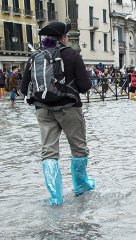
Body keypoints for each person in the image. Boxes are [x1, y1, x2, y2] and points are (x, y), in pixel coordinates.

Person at [20, 22, 95, 206]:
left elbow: (23, 88)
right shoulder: (72, 54)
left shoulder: (35, 56)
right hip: (69, 108)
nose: (68, 38)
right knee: (78, 148)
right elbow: (85, 86)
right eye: (67, 35)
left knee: (49, 152)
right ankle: (80, 187)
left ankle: (55, 198)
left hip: (43, 110)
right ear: (62, 38)